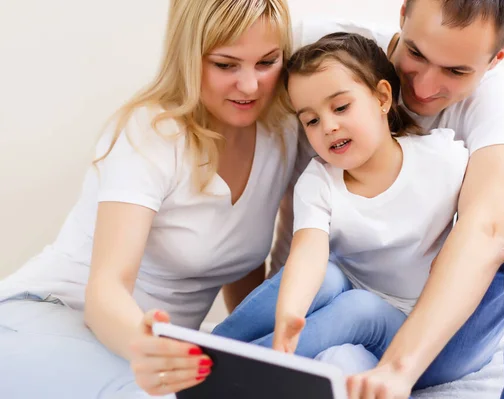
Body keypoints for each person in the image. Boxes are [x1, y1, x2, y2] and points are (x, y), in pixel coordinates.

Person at [268, 0, 504, 398]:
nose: (421, 87)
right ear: (402, 15)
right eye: (416, 53)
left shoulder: (496, 100)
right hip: (346, 315)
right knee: (341, 328)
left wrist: (400, 368)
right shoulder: (323, 51)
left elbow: (486, 228)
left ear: (496, 58)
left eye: (456, 71)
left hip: (447, 335)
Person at [0, 0, 297, 397]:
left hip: (153, 347)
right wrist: (146, 349)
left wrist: (259, 351)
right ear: (188, 56)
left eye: (267, 62)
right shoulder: (153, 132)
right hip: (53, 313)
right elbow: (105, 288)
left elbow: (237, 259)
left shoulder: (285, 132)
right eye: (226, 65)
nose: (249, 85)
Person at [213, 31, 469, 372]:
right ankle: (211, 349)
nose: (329, 126)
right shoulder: (318, 181)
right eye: (312, 120)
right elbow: (308, 253)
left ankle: (228, 371)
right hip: (348, 318)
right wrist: (290, 314)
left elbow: (495, 212)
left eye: (341, 107)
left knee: (360, 307)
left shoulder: (442, 159)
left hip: (412, 331)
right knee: (329, 279)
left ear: (381, 98)